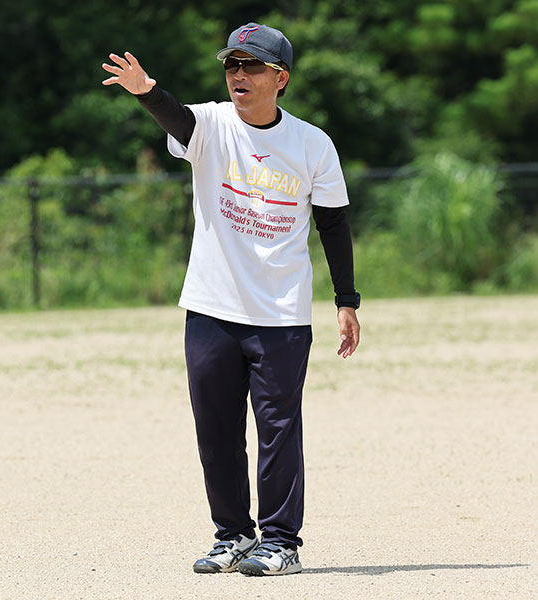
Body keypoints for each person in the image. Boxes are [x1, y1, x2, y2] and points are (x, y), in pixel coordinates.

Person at [102, 23, 361, 576]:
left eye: (252, 66)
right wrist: (148, 92)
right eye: (231, 65)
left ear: (281, 78)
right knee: (216, 428)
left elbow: (334, 226)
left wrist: (347, 299)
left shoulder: (313, 144)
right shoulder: (214, 124)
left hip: (282, 313)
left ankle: (281, 541)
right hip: (212, 309)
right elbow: (179, 119)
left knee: (278, 427)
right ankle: (234, 535)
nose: (238, 74)